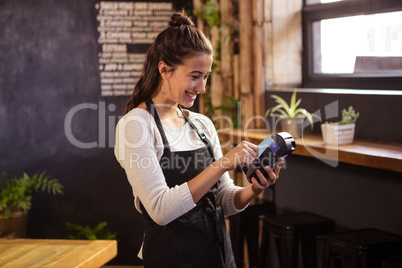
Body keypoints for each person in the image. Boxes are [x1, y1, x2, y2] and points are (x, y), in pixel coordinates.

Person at [114, 10, 284, 268]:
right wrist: (223, 164)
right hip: (171, 259)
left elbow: (224, 200)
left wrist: (253, 189)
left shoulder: (201, 124)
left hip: (217, 257)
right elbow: (160, 210)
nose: (202, 87)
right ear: (164, 69)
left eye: (206, 76)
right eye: (195, 76)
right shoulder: (136, 125)